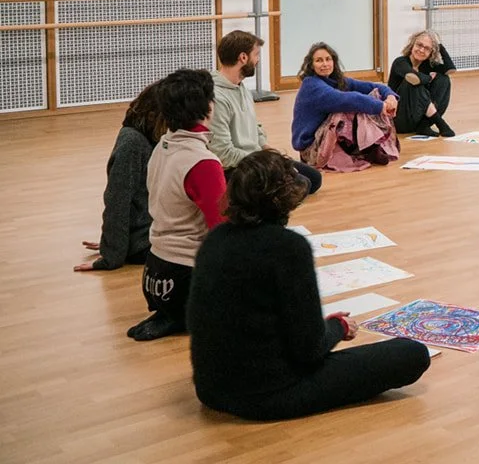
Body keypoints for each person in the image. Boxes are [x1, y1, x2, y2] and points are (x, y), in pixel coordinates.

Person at [188, 150, 431, 421]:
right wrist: (338, 327)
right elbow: (309, 349)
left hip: (210, 389)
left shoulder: (216, 239)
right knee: (412, 353)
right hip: (268, 395)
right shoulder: (288, 248)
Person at [129, 69, 227, 342]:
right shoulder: (202, 162)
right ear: (208, 107)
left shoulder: (162, 146)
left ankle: (170, 315)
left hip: (154, 273)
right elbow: (221, 231)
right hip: (184, 278)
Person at [210, 30, 321, 194]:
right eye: (256, 55)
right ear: (243, 58)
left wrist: (266, 148)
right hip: (237, 166)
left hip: (255, 156)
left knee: (314, 178)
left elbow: (254, 125)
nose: (258, 60)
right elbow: (224, 154)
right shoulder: (217, 97)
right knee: (302, 185)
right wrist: (267, 161)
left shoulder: (242, 88)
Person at [73, 81, 163, 273]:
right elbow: (118, 200)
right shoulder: (133, 143)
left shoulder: (147, 138)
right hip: (145, 244)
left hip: (147, 235)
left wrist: (112, 241)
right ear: (155, 115)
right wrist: (112, 252)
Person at [290, 43, 399, 172]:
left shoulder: (335, 80)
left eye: (328, 59)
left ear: (334, 61)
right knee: (346, 110)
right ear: (311, 65)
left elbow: (372, 86)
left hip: (324, 137)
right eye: (319, 60)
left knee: (373, 95)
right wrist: (381, 106)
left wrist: (390, 96)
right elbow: (346, 99)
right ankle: (366, 150)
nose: (325, 64)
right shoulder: (312, 85)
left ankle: (369, 148)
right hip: (311, 148)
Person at [387, 30, 457, 138]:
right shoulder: (400, 62)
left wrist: (440, 47)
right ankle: (440, 123)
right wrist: (429, 78)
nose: (421, 50)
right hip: (399, 119)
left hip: (418, 119)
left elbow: (450, 69)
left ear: (431, 52)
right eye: (419, 45)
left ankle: (424, 125)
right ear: (412, 45)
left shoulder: (427, 65)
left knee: (444, 79)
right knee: (412, 81)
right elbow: (413, 78)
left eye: (427, 48)